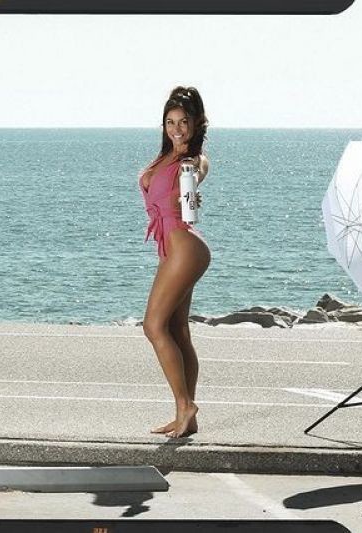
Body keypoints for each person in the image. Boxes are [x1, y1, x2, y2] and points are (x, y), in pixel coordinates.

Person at [138, 86, 211, 438]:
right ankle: (186, 416)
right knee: (178, 330)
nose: (177, 129)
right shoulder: (164, 157)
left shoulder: (193, 161)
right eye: (170, 122)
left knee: (153, 326)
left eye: (184, 122)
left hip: (184, 246)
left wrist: (191, 189)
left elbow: (193, 179)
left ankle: (185, 405)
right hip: (172, 249)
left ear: (196, 124)